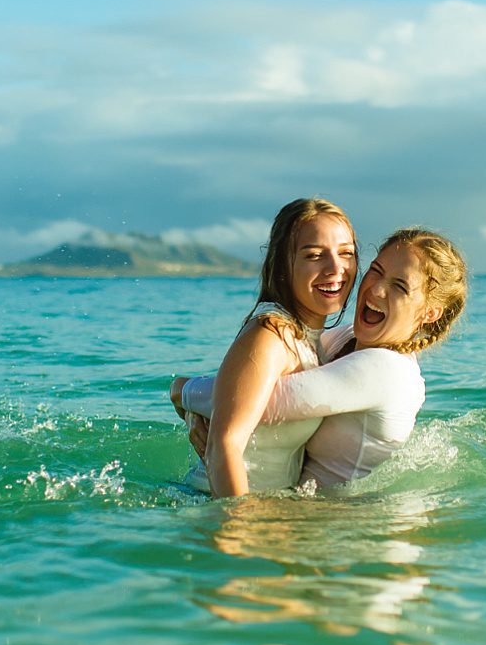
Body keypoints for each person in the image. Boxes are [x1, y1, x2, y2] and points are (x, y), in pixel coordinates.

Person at [174, 228, 467, 492]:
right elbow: (250, 384)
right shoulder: (347, 338)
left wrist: (181, 389)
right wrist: (200, 420)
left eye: (400, 286)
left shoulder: (387, 370)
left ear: (430, 313)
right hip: (302, 517)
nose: (377, 289)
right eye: (376, 271)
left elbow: (256, 403)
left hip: (336, 531)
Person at [169, 197, 358, 497]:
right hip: (214, 507)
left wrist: (188, 403)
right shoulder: (270, 334)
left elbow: (212, 392)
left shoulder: (309, 342)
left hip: (267, 514)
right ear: (284, 263)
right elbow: (225, 445)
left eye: (346, 253)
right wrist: (240, 532)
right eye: (314, 255)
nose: (336, 268)